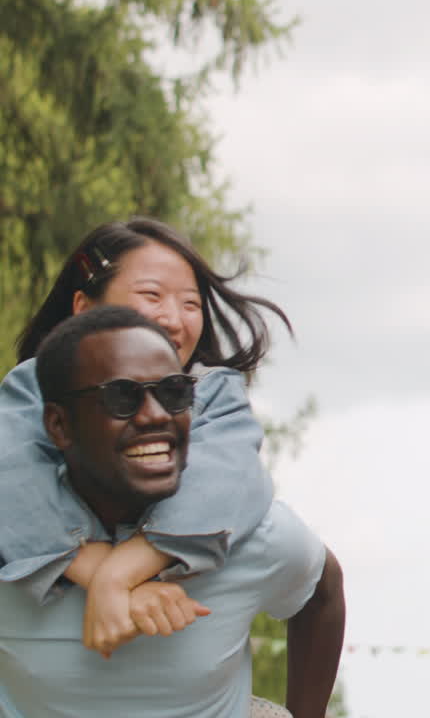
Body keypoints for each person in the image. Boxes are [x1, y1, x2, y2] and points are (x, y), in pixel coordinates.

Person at [0, 306, 345, 717]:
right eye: (122, 396)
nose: (155, 415)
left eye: (174, 392)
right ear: (59, 425)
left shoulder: (248, 535)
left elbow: (323, 592)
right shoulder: (12, 536)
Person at [0, 217, 284, 657]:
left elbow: (231, 478)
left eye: (191, 304)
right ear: (85, 309)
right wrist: (95, 570)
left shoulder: (213, 392)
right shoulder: (34, 386)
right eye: (151, 295)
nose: (173, 319)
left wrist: (123, 573)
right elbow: (9, 476)